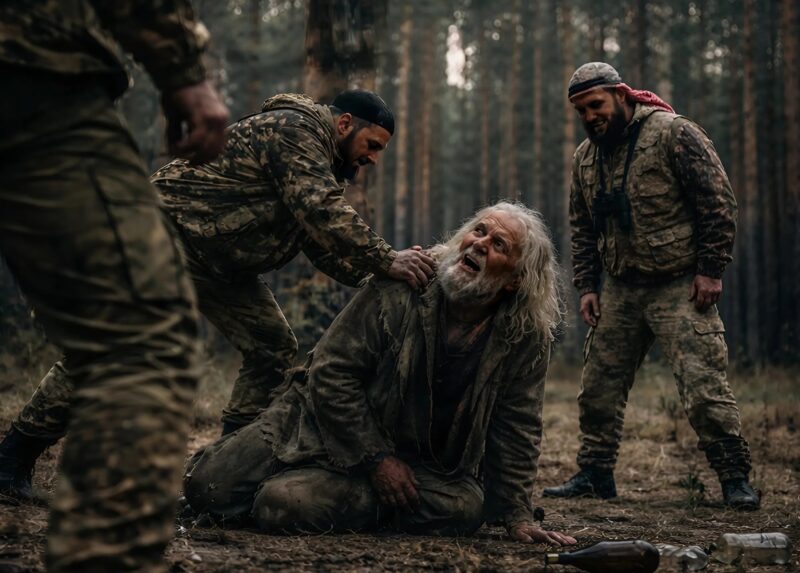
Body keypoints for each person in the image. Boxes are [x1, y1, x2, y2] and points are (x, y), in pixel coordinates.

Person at [0, 89, 436, 501]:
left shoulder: (319, 161)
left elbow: (322, 244)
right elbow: (320, 210)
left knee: (272, 346)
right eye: (373, 144)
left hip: (218, 265)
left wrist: (380, 279)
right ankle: (11, 458)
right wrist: (386, 258)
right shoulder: (293, 130)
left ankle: (222, 470)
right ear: (344, 123)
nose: (374, 159)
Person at [182, 202, 576, 546]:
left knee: (462, 507)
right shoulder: (402, 288)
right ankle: (316, 483)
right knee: (206, 488)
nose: (479, 244)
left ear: (516, 280)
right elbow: (332, 374)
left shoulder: (524, 338)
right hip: (313, 424)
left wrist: (517, 514)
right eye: (479, 230)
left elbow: (517, 426)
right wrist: (377, 460)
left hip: (420, 467)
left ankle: (319, 495)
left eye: (498, 245)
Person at [0, 1, 228, 571]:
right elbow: (325, 223)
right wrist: (181, 70)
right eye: (370, 147)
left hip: (228, 267)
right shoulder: (300, 138)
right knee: (140, 342)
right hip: (30, 71)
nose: (371, 161)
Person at [542, 62, 759, 510]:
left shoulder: (673, 133)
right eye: (581, 110)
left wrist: (711, 269)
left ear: (622, 96)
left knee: (704, 387)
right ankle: (595, 473)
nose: (590, 116)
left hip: (679, 284)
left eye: (596, 105)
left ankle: (735, 479)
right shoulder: (586, 157)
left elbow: (718, 203)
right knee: (598, 386)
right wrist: (587, 287)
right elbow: (582, 228)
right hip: (620, 288)